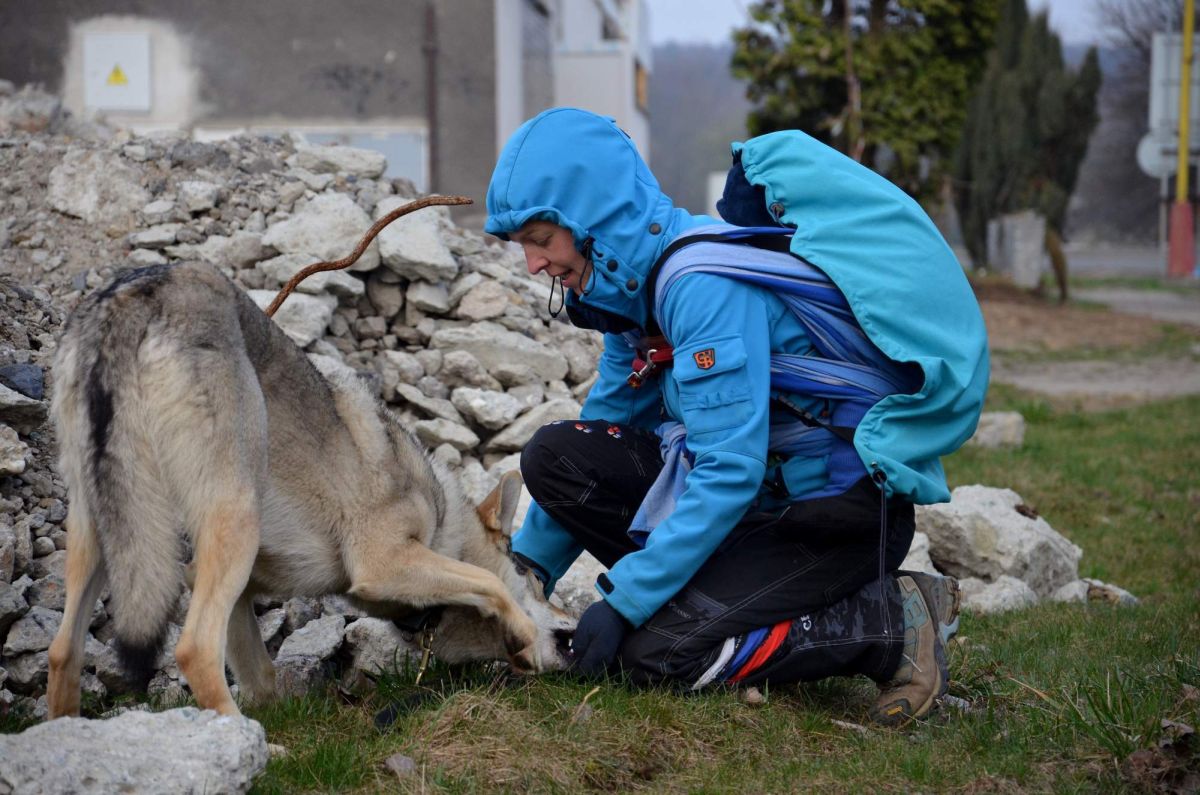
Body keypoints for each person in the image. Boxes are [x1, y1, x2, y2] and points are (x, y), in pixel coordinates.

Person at [484, 108, 989, 725]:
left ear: (594, 217)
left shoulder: (699, 287)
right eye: (525, 247)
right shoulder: (630, 303)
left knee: (654, 654)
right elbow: (609, 425)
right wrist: (520, 581)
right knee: (555, 456)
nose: (534, 263)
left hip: (830, 519)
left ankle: (892, 620)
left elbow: (728, 470)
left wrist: (625, 601)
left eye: (541, 239)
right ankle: (727, 597)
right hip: (759, 509)